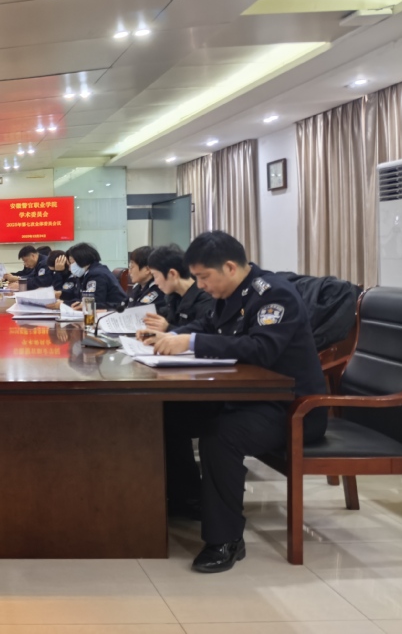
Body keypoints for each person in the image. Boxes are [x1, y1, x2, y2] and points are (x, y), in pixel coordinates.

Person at [145, 231, 328, 573]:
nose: (200, 285)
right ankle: (189, 499)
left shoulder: (274, 295)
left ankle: (225, 540)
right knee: (166, 415)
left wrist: (191, 343)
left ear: (229, 267)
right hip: (246, 397)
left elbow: (262, 349)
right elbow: (208, 324)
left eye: (203, 277)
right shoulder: (229, 293)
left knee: (221, 436)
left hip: (290, 408)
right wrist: (170, 336)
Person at [136, 244, 214, 335]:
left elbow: (201, 337)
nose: (155, 282)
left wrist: (168, 328)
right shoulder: (173, 297)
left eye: (155, 276)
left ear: (172, 274)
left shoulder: (205, 300)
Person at [54, 243, 127, 309]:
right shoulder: (85, 274)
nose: (70, 267)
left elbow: (93, 302)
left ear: (81, 259)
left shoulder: (97, 274)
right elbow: (78, 295)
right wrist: (61, 294)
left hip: (115, 312)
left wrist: (63, 304)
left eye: (71, 262)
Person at [126, 245, 166, 315]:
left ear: (147, 269)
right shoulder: (137, 287)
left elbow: (139, 313)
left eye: (132, 267)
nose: (129, 271)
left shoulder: (157, 290)